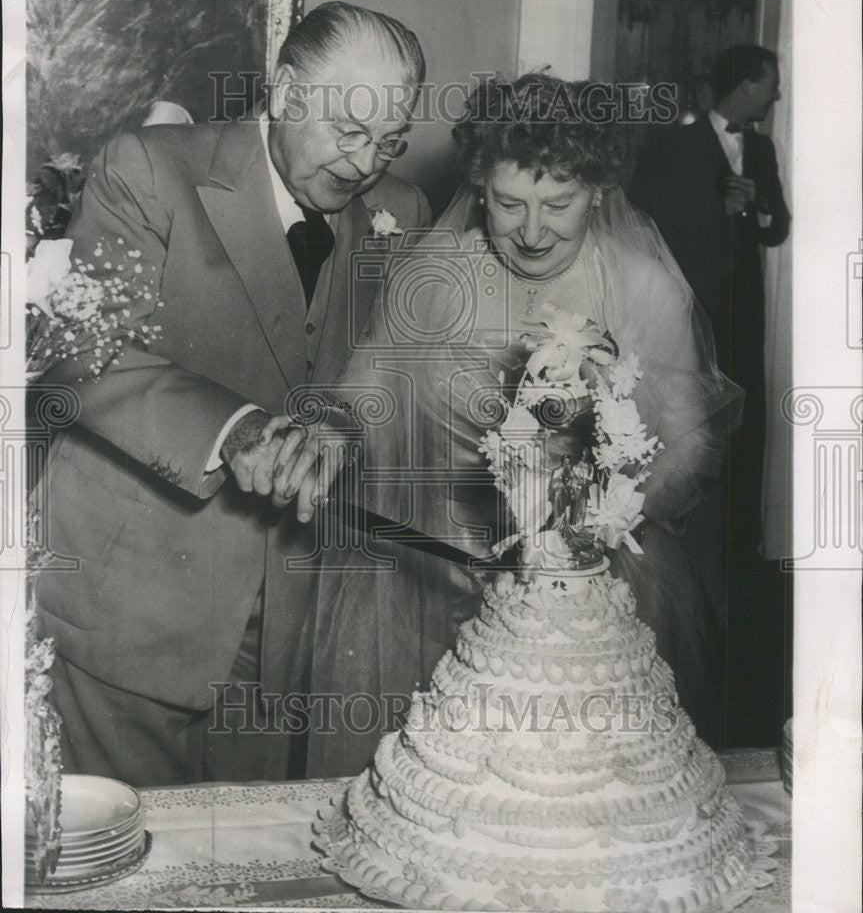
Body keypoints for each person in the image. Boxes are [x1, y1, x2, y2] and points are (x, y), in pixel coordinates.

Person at [278, 73, 741, 776]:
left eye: (557, 204)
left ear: (598, 193)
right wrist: (334, 430)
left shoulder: (643, 286)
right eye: (507, 203)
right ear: (478, 189)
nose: (529, 232)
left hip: (583, 588)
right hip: (428, 572)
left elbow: (684, 450)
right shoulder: (435, 272)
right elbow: (367, 387)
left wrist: (582, 531)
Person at [36, 2, 431, 787]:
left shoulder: (404, 215)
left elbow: (389, 374)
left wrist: (343, 427)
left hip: (292, 621)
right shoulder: (148, 168)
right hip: (130, 603)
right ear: (285, 93)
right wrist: (239, 430)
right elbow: (81, 352)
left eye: (388, 143)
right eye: (347, 133)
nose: (363, 167)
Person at [628, 45, 790, 672]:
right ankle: (681, 545)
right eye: (767, 86)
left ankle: (728, 554)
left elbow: (776, 227)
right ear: (742, 85)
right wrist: (716, 213)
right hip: (690, 307)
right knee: (685, 424)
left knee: (739, 427)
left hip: (740, 312)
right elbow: (649, 215)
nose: (773, 97)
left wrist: (757, 206)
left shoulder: (764, 149)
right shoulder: (675, 139)